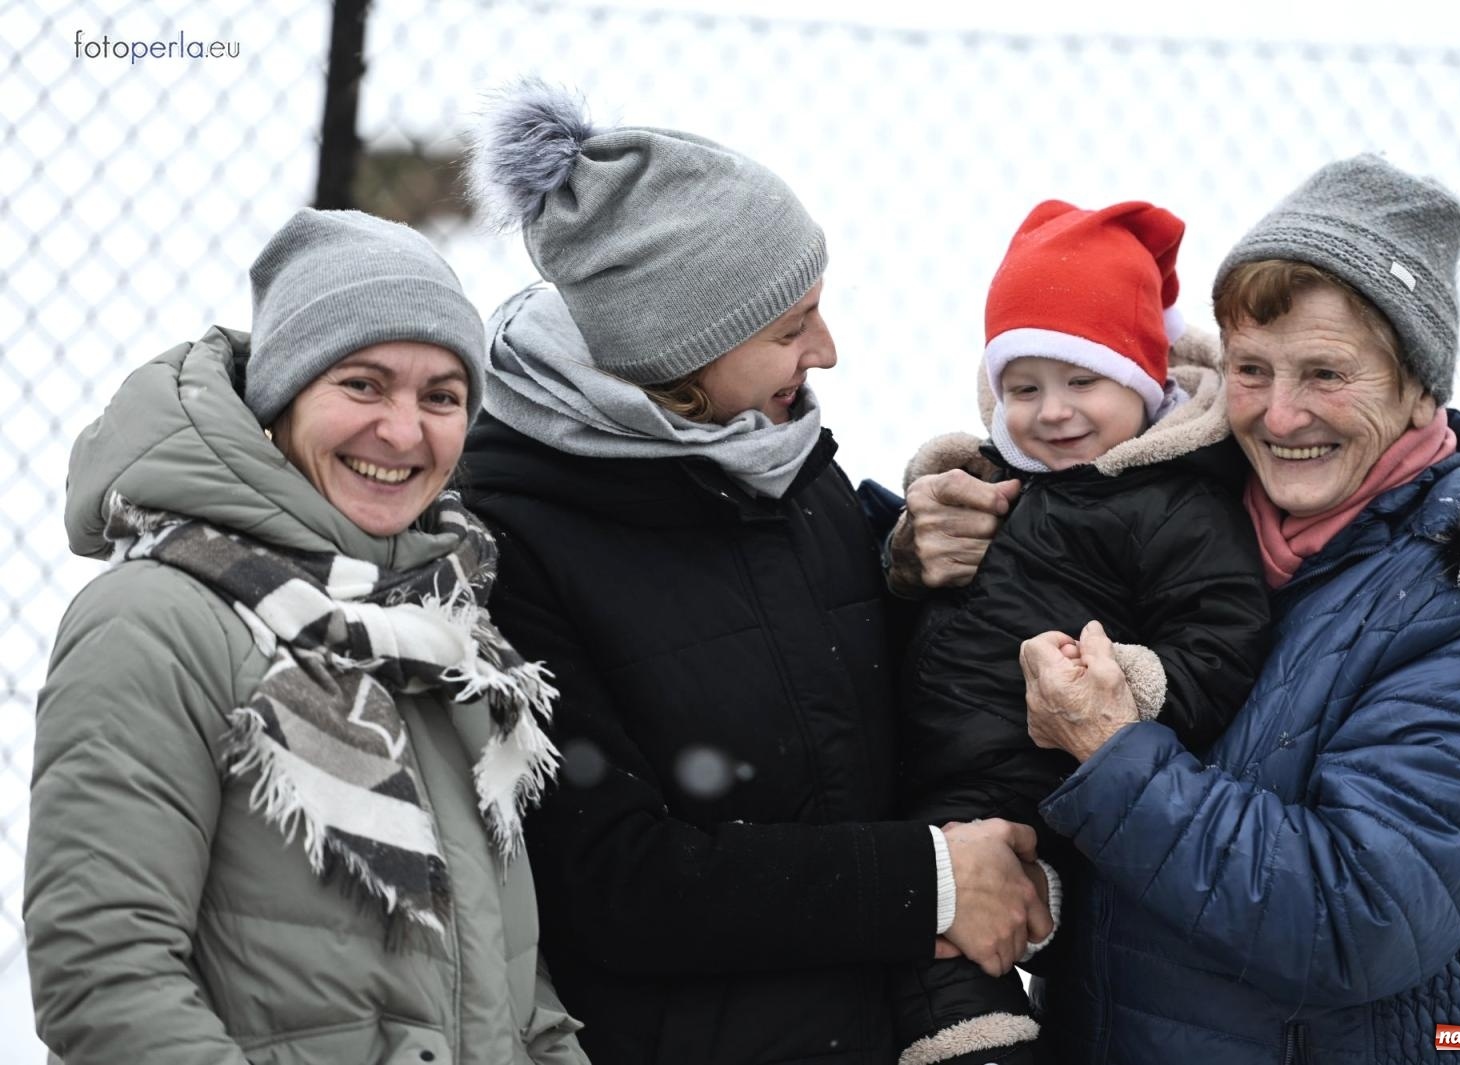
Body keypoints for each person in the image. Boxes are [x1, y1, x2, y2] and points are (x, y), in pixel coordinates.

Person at [458, 79, 1051, 1065]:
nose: (827, 350)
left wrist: (901, 572)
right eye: (790, 328)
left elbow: (817, 702)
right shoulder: (514, 544)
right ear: (678, 348)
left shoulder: (771, 456)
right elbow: (611, 883)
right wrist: (929, 881)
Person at [1018, 154, 1460, 1063]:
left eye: (1326, 374)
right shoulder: (1193, 524)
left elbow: (1355, 917)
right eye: (1252, 368)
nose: (1281, 416)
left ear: (1419, 387)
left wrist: (1115, 754)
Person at [25, 209, 588, 1065]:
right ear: (282, 397)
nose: (403, 432)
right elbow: (106, 980)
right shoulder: (156, 622)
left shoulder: (445, 632)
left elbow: (512, 991)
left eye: (441, 396)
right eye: (362, 385)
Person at [889, 199, 1271, 1065]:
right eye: (1024, 389)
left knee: (944, 956)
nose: (1052, 412)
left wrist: (1126, 683)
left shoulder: (1174, 505)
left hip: (1028, 787)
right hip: (932, 767)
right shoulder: (995, 484)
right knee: (910, 938)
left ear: (1139, 380)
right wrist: (906, 555)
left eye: (1083, 381)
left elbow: (1223, 636)